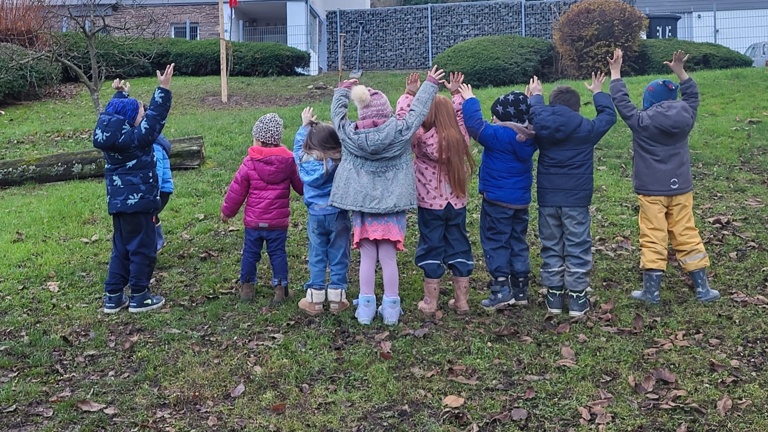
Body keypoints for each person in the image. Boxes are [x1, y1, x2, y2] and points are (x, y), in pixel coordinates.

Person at [329, 66, 445, 326]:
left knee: (367, 257)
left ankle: (366, 307)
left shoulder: (350, 134)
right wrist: (429, 84)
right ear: (387, 111)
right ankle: (391, 307)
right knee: (389, 257)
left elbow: (337, 118)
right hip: (392, 207)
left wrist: (342, 91)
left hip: (363, 206)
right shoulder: (401, 131)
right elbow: (417, 113)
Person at [607, 48, 720, 304]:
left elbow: (622, 102)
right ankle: (702, 288)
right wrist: (681, 72)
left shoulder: (641, 121)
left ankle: (652, 291)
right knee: (686, 231)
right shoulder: (687, 116)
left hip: (651, 190)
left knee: (653, 234)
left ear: (650, 101)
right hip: (681, 188)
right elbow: (692, 95)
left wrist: (616, 72)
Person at [528, 73, 617, 316]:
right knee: (577, 244)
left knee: (551, 244)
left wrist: (536, 94)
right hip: (576, 200)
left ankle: (554, 295)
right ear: (577, 108)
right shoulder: (586, 128)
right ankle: (577, 297)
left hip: (548, 198)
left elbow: (535, 110)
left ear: (551, 103)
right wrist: (598, 92)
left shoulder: (540, 123)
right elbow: (609, 117)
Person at [94, 64, 175, 314]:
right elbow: (155, 119)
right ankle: (140, 295)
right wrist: (163, 88)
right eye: (140, 114)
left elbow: (115, 113)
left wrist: (120, 94)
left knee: (121, 249)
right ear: (132, 122)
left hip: (118, 205)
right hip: (140, 204)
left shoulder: (113, 136)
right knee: (142, 249)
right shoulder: (137, 139)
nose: (143, 115)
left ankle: (113, 296)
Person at [396, 72, 475, 316]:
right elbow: (462, 117)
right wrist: (455, 94)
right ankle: (461, 301)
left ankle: (430, 302)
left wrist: (410, 94)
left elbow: (405, 122)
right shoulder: (460, 139)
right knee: (459, 244)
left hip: (430, 205)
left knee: (431, 246)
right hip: (457, 204)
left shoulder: (420, 138)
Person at [460, 83, 538, 311]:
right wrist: (528, 100)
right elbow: (523, 118)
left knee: (496, 243)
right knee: (517, 241)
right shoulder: (530, 136)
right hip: (520, 202)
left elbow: (475, 125)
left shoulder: (498, 135)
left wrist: (470, 99)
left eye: (495, 116)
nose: (492, 119)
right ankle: (520, 288)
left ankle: (501, 289)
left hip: (496, 202)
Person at [221, 113, 304, 306]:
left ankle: (247, 288)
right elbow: (301, 188)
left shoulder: (249, 162)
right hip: (277, 223)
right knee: (278, 254)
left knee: (250, 253)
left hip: (254, 222)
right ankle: (280, 289)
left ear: (258, 139)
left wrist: (228, 212)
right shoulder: (289, 162)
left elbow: (236, 190)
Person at [293, 107, 351, 316]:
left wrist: (304, 126)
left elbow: (297, 147)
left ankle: (315, 298)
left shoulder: (303, 161)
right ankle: (337, 297)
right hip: (338, 214)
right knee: (339, 253)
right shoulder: (341, 160)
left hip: (315, 215)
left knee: (317, 254)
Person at [110, 79, 174, 253]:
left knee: (146, 219)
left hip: (158, 190)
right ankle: (148, 245)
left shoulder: (153, 145)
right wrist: (122, 94)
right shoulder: (139, 140)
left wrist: (153, 193)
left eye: (136, 116)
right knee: (145, 218)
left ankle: (153, 245)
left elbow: (157, 170)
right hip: (147, 190)